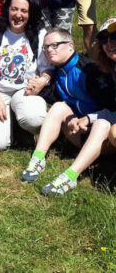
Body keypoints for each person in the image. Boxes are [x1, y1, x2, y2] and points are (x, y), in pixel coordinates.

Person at [22, 26, 116, 196]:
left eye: (55, 45)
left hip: (103, 137)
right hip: (80, 132)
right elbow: (59, 98)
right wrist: (38, 89)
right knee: (58, 107)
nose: (49, 50)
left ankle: (70, 176)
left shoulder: (90, 70)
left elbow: (109, 107)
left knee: (102, 123)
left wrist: (89, 119)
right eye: (46, 47)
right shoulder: (58, 71)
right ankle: (38, 158)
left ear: (71, 46)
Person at [0, 0, 51, 151]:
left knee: (34, 119)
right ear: (7, 9)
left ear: (31, 13)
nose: (18, 15)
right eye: (14, 9)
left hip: (24, 92)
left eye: (24, 11)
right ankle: (7, 122)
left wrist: (42, 81)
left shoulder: (40, 34)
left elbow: (48, 68)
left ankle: (18, 123)